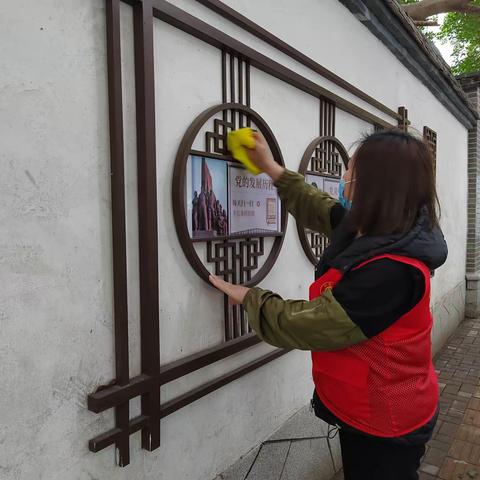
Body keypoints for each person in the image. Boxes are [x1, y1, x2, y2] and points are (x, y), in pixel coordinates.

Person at [210, 129, 447, 480]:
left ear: (378, 185)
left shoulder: (392, 270)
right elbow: (322, 210)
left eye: (351, 172)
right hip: (372, 407)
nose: (344, 177)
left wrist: (250, 298)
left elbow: (312, 324)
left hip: (386, 422)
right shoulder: (384, 230)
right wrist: (271, 169)